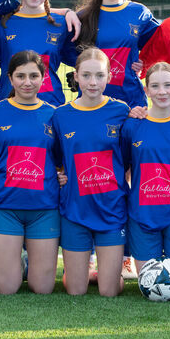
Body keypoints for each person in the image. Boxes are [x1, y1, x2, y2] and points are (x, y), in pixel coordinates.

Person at [0, 51, 63, 294]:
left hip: (44, 208)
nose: (27, 82)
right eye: (20, 76)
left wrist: (62, 174)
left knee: (43, 288)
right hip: (5, 206)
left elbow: (62, 158)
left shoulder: (55, 115)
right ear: (9, 78)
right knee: (7, 287)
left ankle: (21, 262)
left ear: (43, 77)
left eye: (34, 76)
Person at [51, 47, 130, 297]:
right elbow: (53, 157)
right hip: (76, 209)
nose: (93, 82)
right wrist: (58, 174)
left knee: (110, 290)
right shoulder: (61, 115)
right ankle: (80, 268)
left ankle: (100, 269)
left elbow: (130, 156)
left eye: (99, 75)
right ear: (75, 77)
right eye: (86, 75)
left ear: (109, 76)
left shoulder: (122, 111)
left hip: (111, 208)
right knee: (75, 290)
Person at [120, 62, 170, 298]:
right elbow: (123, 166)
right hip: (143, 214)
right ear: (147, 89)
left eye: (167, 85)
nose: (162, 91)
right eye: (155, 86)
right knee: (150, 290)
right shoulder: (133, 125)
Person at [70, 0, 161, 108]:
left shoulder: (139, 13)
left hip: (132, 103)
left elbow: (162, 42)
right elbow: (64, 50)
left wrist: (145, 63)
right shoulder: (82, 17)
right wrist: (64, 12)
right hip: (91, 102)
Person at [0, 0, 73, 107]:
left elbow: (81, 61)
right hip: (10, 104)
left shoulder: (62, 24)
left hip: (50, 104)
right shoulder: (3, 24)